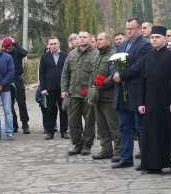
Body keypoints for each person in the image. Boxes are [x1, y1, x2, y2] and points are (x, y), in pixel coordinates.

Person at [111, 18, 153, 169]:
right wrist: (115, 74)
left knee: (140, 127)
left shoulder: (145, 45)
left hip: (136, 90)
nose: (128, 31)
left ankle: (145, 158)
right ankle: (126, 157)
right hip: (121, 91)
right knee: (124, 126)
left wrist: (123, 75)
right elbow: (112, 62)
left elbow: (140, 65)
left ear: (140, 29)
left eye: (132, 29)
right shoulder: (122, 44)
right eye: (127, 28)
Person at [138, 26, 171, 174]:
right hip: (149, 101)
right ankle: (152, 165)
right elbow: (142, 81)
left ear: (165, 39)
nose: (154, 40)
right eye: (152, 37)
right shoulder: (147, 57)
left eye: (157, 37)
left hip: (166, 101)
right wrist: (141, 102)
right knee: (150, 133)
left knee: (167, 133)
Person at [61, 30, 98, 156]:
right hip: (73, 93)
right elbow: (65, 73)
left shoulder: (95, 54)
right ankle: (77, 144)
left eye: (84, 37)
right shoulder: (71, 55)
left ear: (89, 39)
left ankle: (87, 145)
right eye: (80, 37)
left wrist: (92, 92)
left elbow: (96, 75)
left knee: (89, 121)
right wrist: (64, 90)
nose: (81, 39)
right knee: (73, 121)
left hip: (88, 94)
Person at [89, 32, 121, 162]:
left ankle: (119, 151)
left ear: (109, 40)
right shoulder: (98, 55)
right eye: (97, 39)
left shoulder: (114, 54)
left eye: (101, 39)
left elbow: (115, 74)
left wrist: (103, 84)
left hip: (109, 96)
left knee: (114, 126)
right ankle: (106, 149)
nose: (98, 41)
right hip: (98, 97)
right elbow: (92, 74)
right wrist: (90, 93)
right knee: (101, 126)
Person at [39, 36, 69, 140]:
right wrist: (43, 88)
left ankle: (64, 131)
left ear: (59, 44)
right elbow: (41, 73)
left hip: (62, 87)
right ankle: (50, 132)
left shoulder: (65, 56)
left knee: (63, 109)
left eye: (55, 43)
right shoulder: (45, 57)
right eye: (51, 44)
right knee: (51, 110)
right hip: (50, 87)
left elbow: (68, 72)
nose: (53, 46)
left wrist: (67, 88)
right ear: (48, 45)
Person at [2, 37, 30, 134]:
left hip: (17, 78)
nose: (7, 50)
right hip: (7, 79)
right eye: (6, 49)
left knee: (21, 102)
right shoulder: (3, 53)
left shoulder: (18, 51)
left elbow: (25, 53)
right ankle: (14, 125)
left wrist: (15, 44)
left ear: (12, 45)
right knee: (9, 104)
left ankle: (25, 124)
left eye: (9, 48)